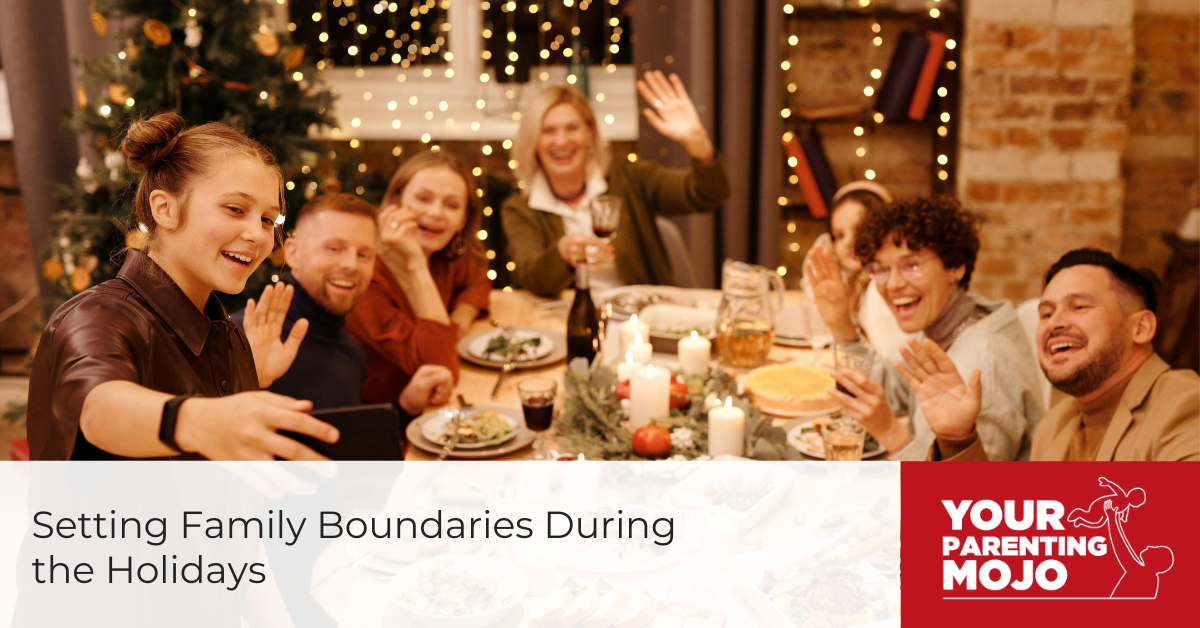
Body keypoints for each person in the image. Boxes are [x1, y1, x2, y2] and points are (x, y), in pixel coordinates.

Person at [25, 112, 337, 461]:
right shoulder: (97, 316)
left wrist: (249, 380)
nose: (258, 235)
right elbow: (98, 409)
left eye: (268, 219)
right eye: (235, 209)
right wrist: (196, 420)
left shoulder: (230, 336)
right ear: (165, 209)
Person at [902, 248, 1199, 461]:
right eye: (1046, 312)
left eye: (1079, 306)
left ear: (1141, 327)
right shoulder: (1055, 425)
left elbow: (1182, 530)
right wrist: (957, 439)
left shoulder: (1185, 404)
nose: (1054, 323)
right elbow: (1013, 529)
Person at [826, 196, 1045, 461]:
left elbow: (967, 496)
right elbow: (889, 389)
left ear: (955, 267)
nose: (893, 284)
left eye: (912, 265)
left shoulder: (979, 369)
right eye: (881, 269)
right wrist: (839, 323)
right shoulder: (950, 318)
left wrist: (891, 432)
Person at [501, 74, 731, 297]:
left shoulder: (630, 177)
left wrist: (698, 143)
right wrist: (561, 254)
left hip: (640, 318)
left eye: (572, 128)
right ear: (534, 140)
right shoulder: (519, 208)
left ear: (589, 134)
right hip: (568, 319)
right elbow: (530, 278)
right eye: (548, 130)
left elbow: (709, 195)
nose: (561, 141)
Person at [231, 192, 453, 416]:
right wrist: (249, 382)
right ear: (293, 253)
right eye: (334, 249)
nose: (351, 265)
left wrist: (404, 407)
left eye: (364, 254)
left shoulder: (351, 352)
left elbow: (345, 442)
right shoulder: (240, 339)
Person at [344, 150, 490, 405]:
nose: (435, 213)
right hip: (383, 420)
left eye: (452, 205)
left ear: (462, 220)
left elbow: (478, 279)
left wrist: (462, 316)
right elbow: (440, 369)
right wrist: (416, 264)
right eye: (423, 198)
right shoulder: (362, 274)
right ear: (396, 202)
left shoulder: (442, 254)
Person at [802, 181, 911, 360]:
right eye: (839, 235)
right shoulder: (855, 283)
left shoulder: (882, 289)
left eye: (859, 229)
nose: (848, 242)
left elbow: (895, 364)